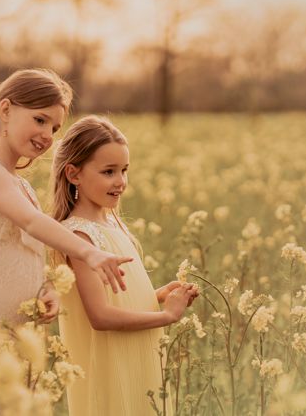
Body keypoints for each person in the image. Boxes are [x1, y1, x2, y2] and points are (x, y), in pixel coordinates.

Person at [0, 70, 134, 415]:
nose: (47, 135)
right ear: (5, 110)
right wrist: (90, 252)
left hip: (11, 335)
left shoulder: (18, 184)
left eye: (54, 128)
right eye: (39, 119)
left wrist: (46, 288)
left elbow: (25, 249)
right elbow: (33, 223)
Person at [49, 115, 199, 416]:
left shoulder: (110, 223)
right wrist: (167, 316)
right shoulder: (79, 236)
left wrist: (155, 295)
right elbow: (100, 316)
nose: (120, 182)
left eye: (124, 171)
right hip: (111, 361)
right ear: (73, 174)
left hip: (134, 353)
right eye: (108, 172)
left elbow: (114, 295)